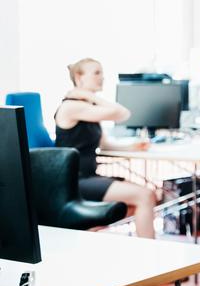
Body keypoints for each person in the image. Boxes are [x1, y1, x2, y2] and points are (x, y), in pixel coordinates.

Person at [54, 58, 157, 239]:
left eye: (102, 72)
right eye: (96, 73)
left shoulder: (87, 108)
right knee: (145, 196)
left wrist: (132, 147)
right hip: (73, 180)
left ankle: (86, 235)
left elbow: (105, 145)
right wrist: (88, 95)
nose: (102, 77)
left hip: (88, 177)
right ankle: (152, 258)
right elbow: (123, 113)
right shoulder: (71, 106)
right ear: (79, 77)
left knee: (132, 206)